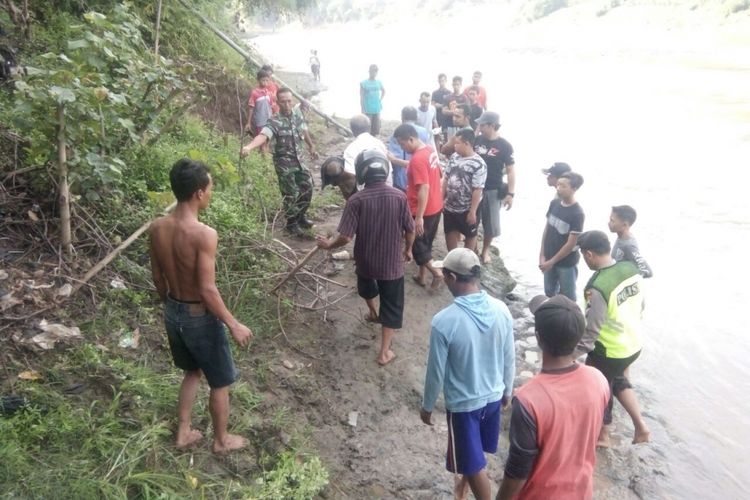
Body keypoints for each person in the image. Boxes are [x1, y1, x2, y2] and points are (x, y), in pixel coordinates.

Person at [149, 158, 252, 454]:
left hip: (173, 312)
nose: (211, 192)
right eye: (210, 187)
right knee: (220, 381)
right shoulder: (204, 234)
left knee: (191, 372)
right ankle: (221, 440)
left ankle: (183, 432)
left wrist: (170, 307)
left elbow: (158, 278)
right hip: (199, 318)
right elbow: (207, 289)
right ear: (198, 193)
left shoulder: (157, 227)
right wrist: (234, 324)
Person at [421, 248, 515, 500]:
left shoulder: (444, 321)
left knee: (473, 466)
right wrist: (508, 390)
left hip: (464, 406)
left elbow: (435, 370)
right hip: (493, 397)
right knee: (474, 452)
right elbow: (509, 355)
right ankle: (461, 489)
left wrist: (427, 405)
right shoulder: (501, 309)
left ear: (451, 278)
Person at [496, 295, 609, 500]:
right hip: (581, 492)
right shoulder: (598, 379)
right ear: (578, 336)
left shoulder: (528, 400)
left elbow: (517, 472)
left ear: (538, 337)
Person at [316, 150, 414, 365]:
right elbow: (410, 228)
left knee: (367, 289)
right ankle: (384, 352)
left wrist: (328, 246)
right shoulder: (400, 196)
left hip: (366, 260)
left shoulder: (355, 200)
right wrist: (408, 250)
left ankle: (372, 311)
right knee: (393, 305)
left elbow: (345, 237)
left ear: (361, 173)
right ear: (385, 170)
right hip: (391, 264)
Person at [576, 230, 650, 447]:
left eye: (582, 255)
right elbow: (641, 306)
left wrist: (567, 356)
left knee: (601, 389)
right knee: (618, 381)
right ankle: (641, 427)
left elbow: (591, 332)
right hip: (633, 343)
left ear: (589, 254)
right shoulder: (630, 269)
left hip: (608, 350)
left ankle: (603, 436)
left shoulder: (597, 287)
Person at [241, 88, 319, 236]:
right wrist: (249, 147)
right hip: (285, 165)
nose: (287, 104)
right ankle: (291, 223)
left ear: (292, 101)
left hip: (300, 162)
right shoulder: (274, 121)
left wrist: (311, 146)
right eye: (283, 102)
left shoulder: (298, 116)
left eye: (289, 101)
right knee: (291, 194)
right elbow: (263, 135)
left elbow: (304, 130)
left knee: (307, 188)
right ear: (278, 103)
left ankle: (301, 216)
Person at [394, 123, 444, 290]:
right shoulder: (429, 150)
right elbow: (437, 174)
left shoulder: (417, 159)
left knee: (417, 245)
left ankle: (436, 273)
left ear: (411, 138)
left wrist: (419, 217)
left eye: (402, 144)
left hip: (421, 209)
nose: (402, 147)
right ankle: (421, 276)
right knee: (427, 242)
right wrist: (394, 160)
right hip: (436, 206)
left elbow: (424, 187)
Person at [474, 111, 515, 264]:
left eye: (483, 125)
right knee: (472, 221)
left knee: (490, 224)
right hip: (474, 188)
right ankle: (473, 248)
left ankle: (485, 250)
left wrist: (511, 194)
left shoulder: (504, 146)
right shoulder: (476, 140)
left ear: (492, 125)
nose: (480, 127)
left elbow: (510, 170)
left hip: (492, 189)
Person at [539, 172, 585, 301]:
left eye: (563, 186)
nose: (559, 188)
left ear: (574, 189)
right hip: (548, 257)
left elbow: (570, 244)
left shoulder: (577, 213)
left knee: (568, 297)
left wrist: (552, 262)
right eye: (558, 185)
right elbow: (546, 229)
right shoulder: (554, 203)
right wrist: (542, 255)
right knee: (549, 292)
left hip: (566, 263)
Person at [443, 129, 487, 252]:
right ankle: (452, 257)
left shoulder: (479, 164)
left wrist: (472, 211)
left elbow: (478, 189)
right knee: (449, 230)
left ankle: (467, 259)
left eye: (457, 143)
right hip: (450, 205)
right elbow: (446, 178)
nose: (454, 146)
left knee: (470, 234)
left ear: (466, 143)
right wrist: (441, 199)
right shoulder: (454, 157)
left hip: (466, 207)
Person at [343, 114, 392, 190]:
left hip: (365, 194)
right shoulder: (380, 144)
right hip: (388, 191)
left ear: (352, 130)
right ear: (369, 128)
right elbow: (389, 169)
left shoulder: (351, 149)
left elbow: (351, 175)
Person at [387, 106, 430, 191]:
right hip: (421, 176)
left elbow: (394, 157)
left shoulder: (397, 134)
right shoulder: (424, 131)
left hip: (402, 179)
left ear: (402, 117)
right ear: (416, 117)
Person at [608, 205, 653, 278]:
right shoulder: (621, 238)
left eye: (612, 221)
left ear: (624, 225)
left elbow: (647, 271)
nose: (609, 223)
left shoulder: (629, 246)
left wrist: (625, 279)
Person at [246, 69, 278, 137]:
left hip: (269, 121)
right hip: (260, 122)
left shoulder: (268, 93)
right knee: (261, 141)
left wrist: (274, 116)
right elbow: (251, 108)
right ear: (258, 80)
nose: (265, 82)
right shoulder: (254, 93)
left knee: (267, 140)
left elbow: (272, 106)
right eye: (263, 80)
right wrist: (248, 122)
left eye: (267, 80)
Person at [360, 64, 385, 136]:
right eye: (372, 71)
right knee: (367, 128)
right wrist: (362, 108)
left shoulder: (379, 82)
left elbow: (383, 91)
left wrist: (380, 99)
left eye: (375, 71)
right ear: (369, 71)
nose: (374, 73)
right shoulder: (364, 83)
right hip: (367, 108)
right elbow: (361, 97)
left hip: (377, 108)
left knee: (376, 128)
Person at [443, 76, 468, 141]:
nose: (455, 86)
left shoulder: (464, 98)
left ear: (461, 85)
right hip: (450, 126)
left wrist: (455, 111)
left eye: (457, 84)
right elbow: (444, 111)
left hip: (461, 127)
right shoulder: (447, 97)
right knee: (450, 145)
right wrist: (455, 112)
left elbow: (467, 112)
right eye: (454, 84)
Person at [432, 73, 453, 146]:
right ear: (438, 81)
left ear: (446, 81)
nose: (442, 82)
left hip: (447, 119)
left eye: (443, 81)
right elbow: (433, 105)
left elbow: (451, 106)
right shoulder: (435, 93)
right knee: (437, 137)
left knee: (446, 138)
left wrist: (440, 105)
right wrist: (443, 106)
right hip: (437, 118)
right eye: (440, 81)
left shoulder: (449, 93)